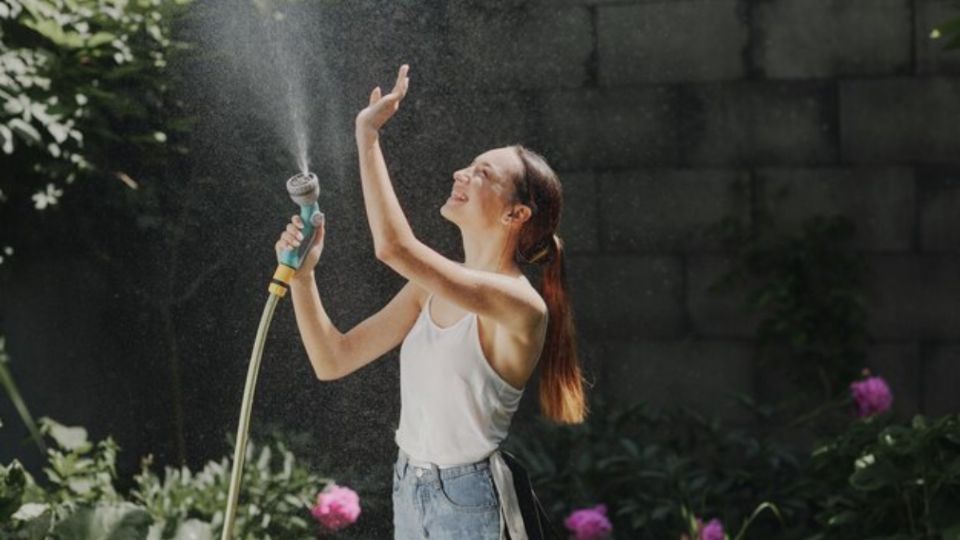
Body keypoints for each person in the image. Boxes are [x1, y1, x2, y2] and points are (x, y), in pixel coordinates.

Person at [274, 64, 587, 540]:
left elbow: (393, 248)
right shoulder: (428, 290)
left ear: (516, 214)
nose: (461, 173)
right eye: (469, 164)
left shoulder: (521, 305)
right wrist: (303, 277)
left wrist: (368, 136)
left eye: (483, 173)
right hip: (409, 485)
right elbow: (332, 359)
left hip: (470, 500)